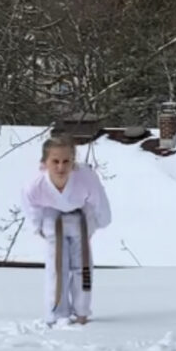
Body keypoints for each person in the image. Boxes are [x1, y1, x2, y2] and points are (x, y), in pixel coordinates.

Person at [21, 133, 112, 326]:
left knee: (83, 267)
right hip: (52, 218)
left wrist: (98, 223)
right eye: (55, 161)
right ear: (44, 162)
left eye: (66, 161)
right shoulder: (35, 186)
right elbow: (32, 208)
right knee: (56, 267)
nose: (61, 167)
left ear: (73, 162)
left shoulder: (86, 177)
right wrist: (38, 227)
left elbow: (99, 202)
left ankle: (82, 312)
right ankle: (57, 311)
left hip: (82, 216)